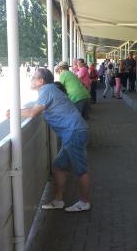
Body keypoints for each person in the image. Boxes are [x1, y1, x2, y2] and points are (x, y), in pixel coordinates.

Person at [7, 68, 92, 212]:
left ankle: (84, 202)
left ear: (41, 81)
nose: (31, 80)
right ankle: (58, 201)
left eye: (34, 77)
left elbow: (34, 112)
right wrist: (17, 111)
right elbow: (35, 108)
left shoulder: (46, 90)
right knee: (59, 166)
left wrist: (14, 113)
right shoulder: (49, 90)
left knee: (81, 170)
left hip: (73, 132)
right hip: (73, 132)